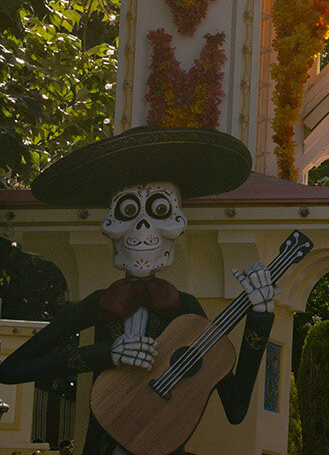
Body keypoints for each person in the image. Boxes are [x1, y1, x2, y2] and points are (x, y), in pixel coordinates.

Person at [0, 127, 277, 455]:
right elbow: (11, 369)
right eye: (128, 213)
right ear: (110, 227)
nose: (144, 229)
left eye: (160, 212)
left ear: (177, 224)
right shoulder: (101, 304)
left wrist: (260, 318)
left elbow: (234, 406)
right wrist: (106, 353)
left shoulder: (185, 309)